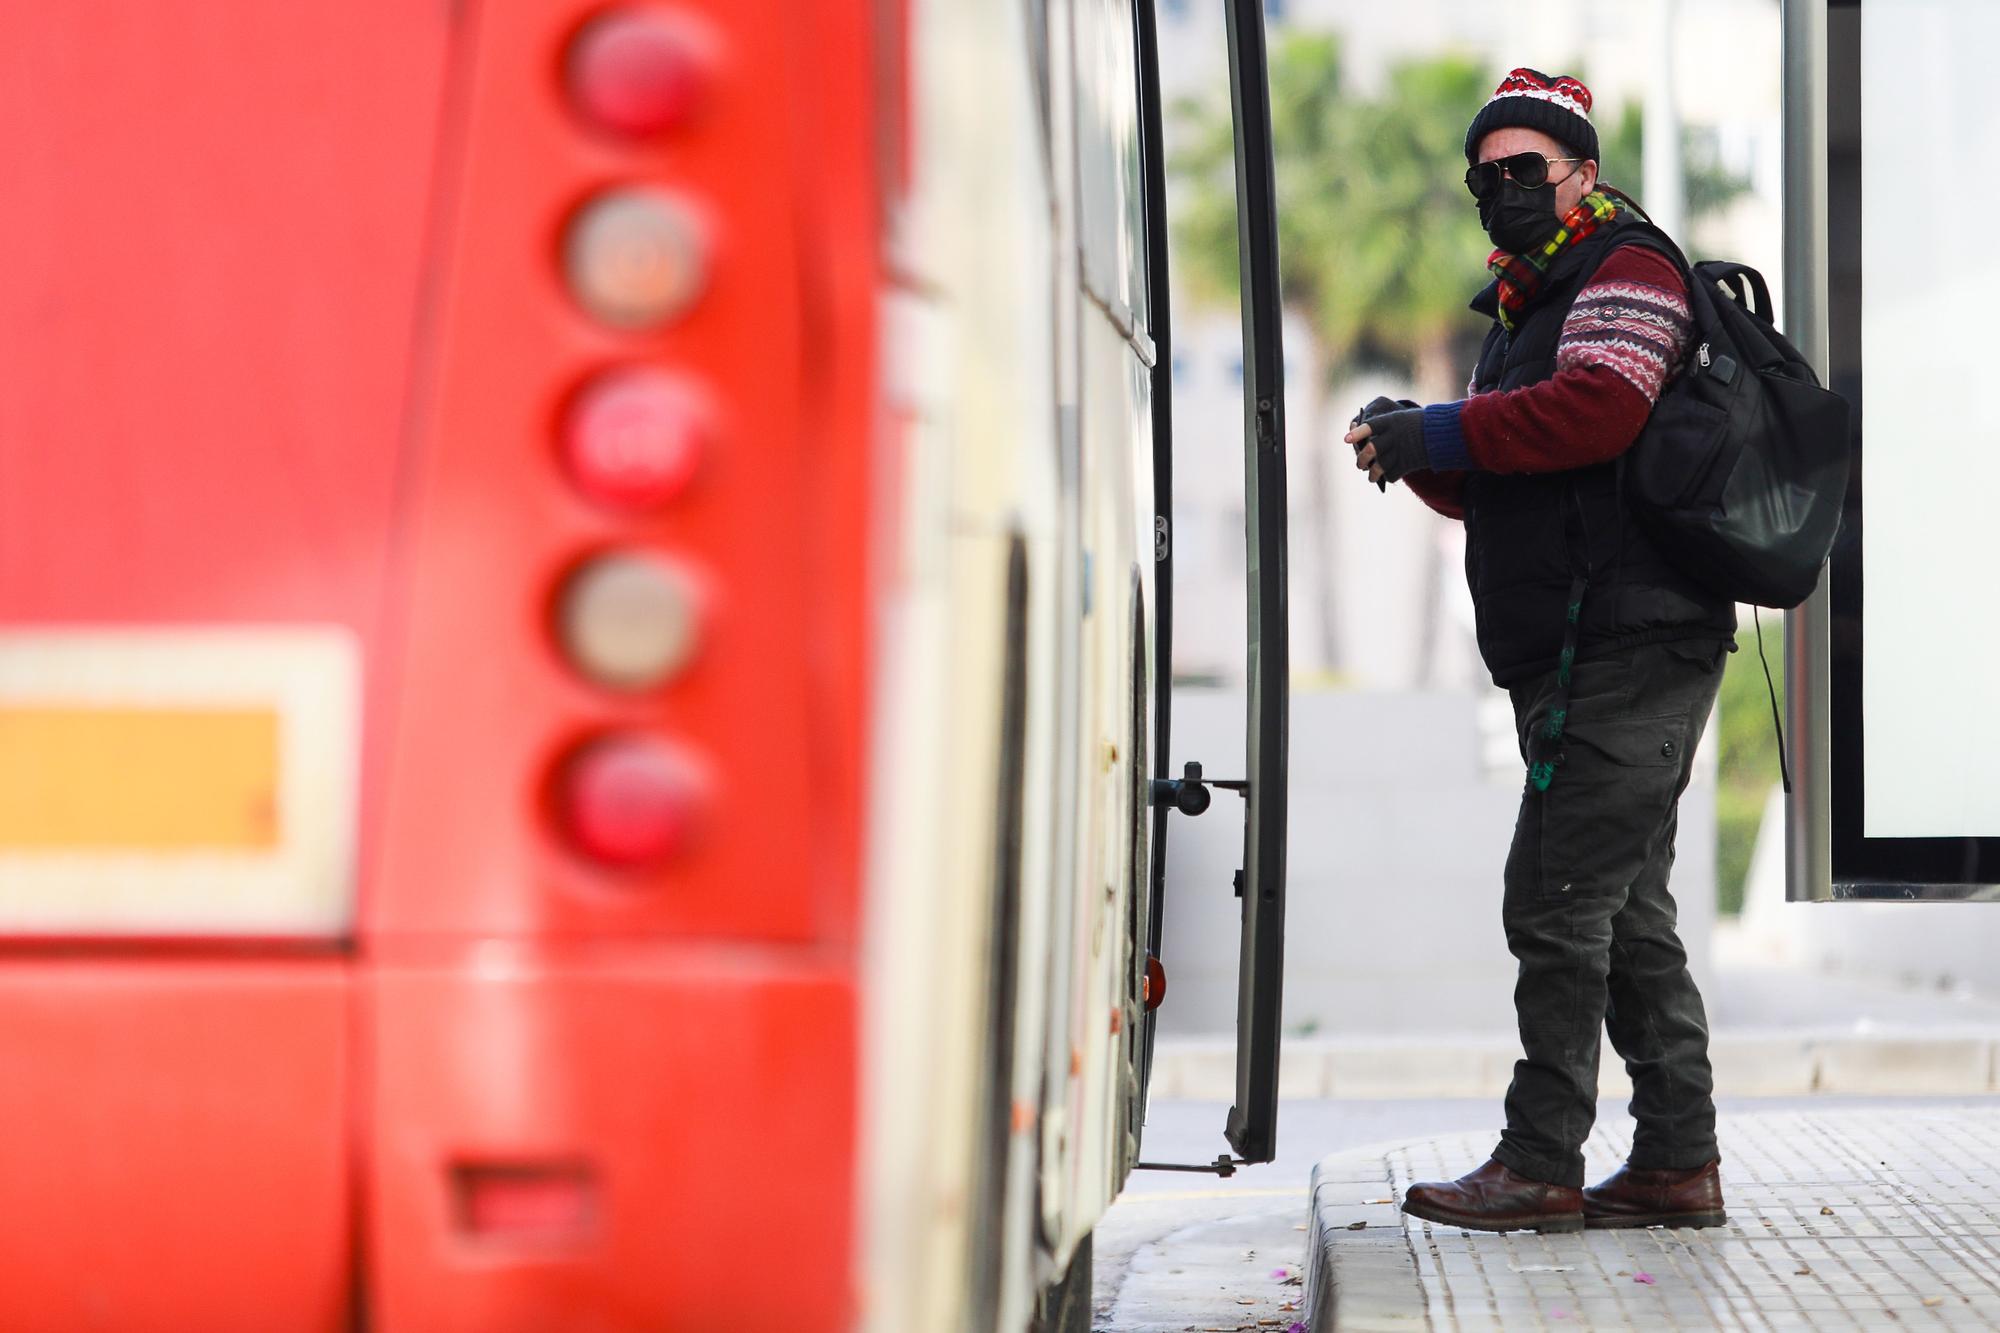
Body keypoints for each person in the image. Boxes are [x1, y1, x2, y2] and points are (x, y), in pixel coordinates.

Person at [1344, 68, 1738, 1234]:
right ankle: (1674, 1161)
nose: (1502, 189)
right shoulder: (1526, 304)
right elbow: (1527, 482)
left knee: (1554, 900)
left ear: (1581, 172)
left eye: (1525, 169)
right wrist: (1418, 450)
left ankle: (1538, 1162)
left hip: (1633, 643)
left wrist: (1446, 427)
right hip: (1575, 653)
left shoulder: (1626, 269)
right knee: (1620, 915)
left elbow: (1596, 412)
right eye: (1485, 176)